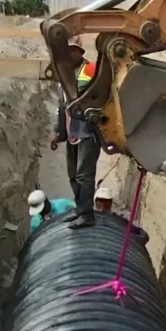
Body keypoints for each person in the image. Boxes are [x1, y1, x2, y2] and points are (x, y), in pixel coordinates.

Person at [49, 37, 100, 228]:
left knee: (84, 175)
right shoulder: (65, 74)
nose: (69, 54)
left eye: (73, 50)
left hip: (88, 131)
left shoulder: (92, 69)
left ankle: (87, 214)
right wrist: (57, 132)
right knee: (73, 175)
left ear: (80, 52)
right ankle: (80, 209)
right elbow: (62, 105)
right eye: (66, 51)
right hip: (72, 132)